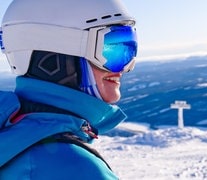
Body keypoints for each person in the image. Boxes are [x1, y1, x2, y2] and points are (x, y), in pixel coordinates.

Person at [0, 0, 138, 179]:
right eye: (111, 50)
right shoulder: (75, 167)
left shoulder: (12, 136)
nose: (125, 67)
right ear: (55, 60)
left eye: (130, 48)